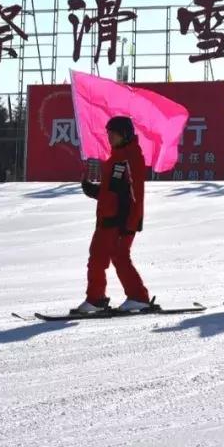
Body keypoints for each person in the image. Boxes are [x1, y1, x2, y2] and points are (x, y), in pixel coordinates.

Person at [74, 116, 151, 314]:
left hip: (119, 220)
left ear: (124, 134)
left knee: (102, 257)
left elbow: (136, 192)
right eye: (108, 134)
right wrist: (93, 190)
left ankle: (98, 299)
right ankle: (135, 297)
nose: (109, 138)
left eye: (113, 134)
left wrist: (131, 222)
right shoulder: (117, 156)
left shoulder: (130, 157)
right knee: (114, 257)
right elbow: (112, 191)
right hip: (109, 219)